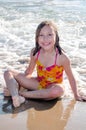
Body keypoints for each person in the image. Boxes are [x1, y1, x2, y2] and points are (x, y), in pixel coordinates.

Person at [4, 20, 86, 107]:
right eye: (41, 35)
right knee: (8, 72)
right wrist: (20, 82)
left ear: (56, 37)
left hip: (52, 88)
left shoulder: (62, 57)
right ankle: (15, 95)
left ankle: (21, 94)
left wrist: (76, 95)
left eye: (50, 35)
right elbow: (29, 72)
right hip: (38, 84)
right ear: (37, 38)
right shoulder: (35, 53)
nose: (45, 39)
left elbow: (71, 77)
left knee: (59, 91)